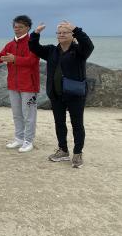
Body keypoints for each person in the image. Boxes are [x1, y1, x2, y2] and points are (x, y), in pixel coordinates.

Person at [29, 21, 94, 168]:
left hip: (75, 94)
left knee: (77, 125)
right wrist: (36, 33)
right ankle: (63, 150)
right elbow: (33, 47)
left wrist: (77, 29)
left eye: (65, 32)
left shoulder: (79, 51)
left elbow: (89, 45)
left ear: (72, 35)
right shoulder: (52, 51)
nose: (61, 35)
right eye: (59, 33)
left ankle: (77, 153)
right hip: (56, 94)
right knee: (59, 123)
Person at [0, 15, 40, 153]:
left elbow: (32, 61)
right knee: (17, 114)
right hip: (13, 85)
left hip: (29, 85)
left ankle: (28, 141)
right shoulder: (10, 44)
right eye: (15, 27)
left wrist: (14, 59)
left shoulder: (32, 43)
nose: (17, 29)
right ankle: (19, 138)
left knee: (29, 114)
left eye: (20, 27)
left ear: (28, 27)